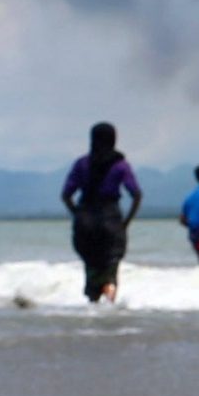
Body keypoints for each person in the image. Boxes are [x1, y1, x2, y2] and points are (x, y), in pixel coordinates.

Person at [60, 122, 140, 304]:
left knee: (92, 270)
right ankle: (109, 308)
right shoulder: (120, 166)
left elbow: (66, 195)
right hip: (111, 221)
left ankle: (93, 316)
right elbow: (136, 195)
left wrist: (77, 215)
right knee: (111, 269)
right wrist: (126, 222)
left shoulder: (81, 164)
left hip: (85, 223)